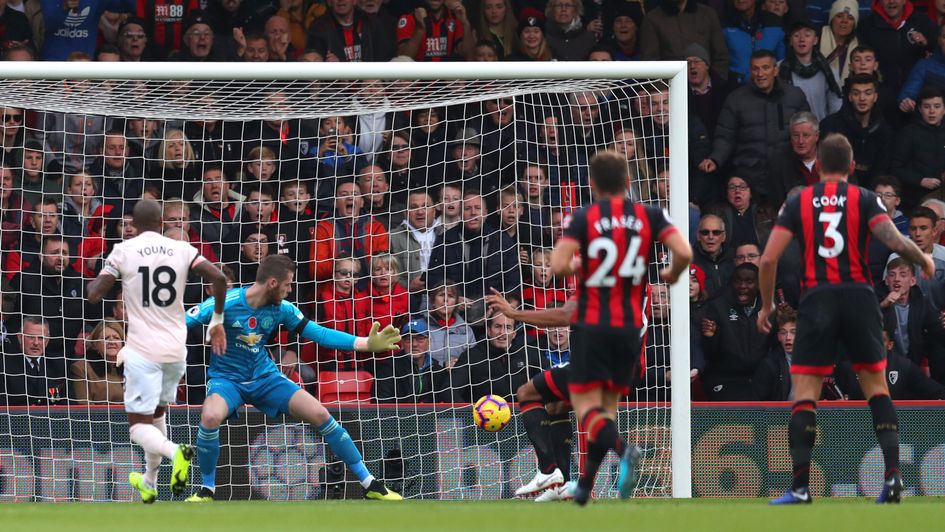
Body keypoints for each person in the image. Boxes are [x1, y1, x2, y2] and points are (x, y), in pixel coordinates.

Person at [757, 133, 935, 504]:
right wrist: (923, 258)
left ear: (818, 166)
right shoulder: (865, 198)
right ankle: (892, 478)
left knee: (805, 394)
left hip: (818, 298)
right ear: (853, 167)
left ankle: (801, 487)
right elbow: (894, 240)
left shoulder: (801, 200)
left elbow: (769, 258)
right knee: (876, 387)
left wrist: (766, 307)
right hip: (859, 297)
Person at [182, 254, 403, 502]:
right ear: (273, 283)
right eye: (288, 284)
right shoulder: (226, 303)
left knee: (321, 415)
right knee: (210, 417)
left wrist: (364, 343)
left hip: (265, 377)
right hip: (227, 380)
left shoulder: (282, 309)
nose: (290, 290)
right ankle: (207, 490)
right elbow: (179, 323)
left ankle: (369, 483)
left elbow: (319, 333)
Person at [549, 150, 692, 505]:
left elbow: (558, 265)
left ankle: (625, 449)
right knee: (608, 409)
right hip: (630, 327)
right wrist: (672, 274)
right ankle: (585, 485)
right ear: (628, 183)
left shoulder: (584, 217)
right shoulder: (651, 215)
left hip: (594, 324)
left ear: (592, 184)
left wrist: (583, 265)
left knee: (586, 407)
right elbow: (684, 252)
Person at [86, 199, 229, 504]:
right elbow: (218, 277)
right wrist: (217, 321)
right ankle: (149, 482)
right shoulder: (181, 249)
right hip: (176, 351)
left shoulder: (124, 249)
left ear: (133, 226)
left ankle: (176, 451)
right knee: (158, 414)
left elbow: (95, 294)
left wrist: (106, 277)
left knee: (138, 426)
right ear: (163, 223)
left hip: (142, 350)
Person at [485, 289, 577, 502]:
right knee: (556, 405)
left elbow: (563, 315)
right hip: (623, 365)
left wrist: (514, 313)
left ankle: (548, 470)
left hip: (600, 363)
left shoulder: (596, 290)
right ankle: (562, 485)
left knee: (526, 392)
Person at [70, 320, 125, 405]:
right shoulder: (81, 368)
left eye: (116, 338)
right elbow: (84, 407)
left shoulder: (131, 368)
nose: (111, 342)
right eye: (106, 338)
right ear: (95, 345)